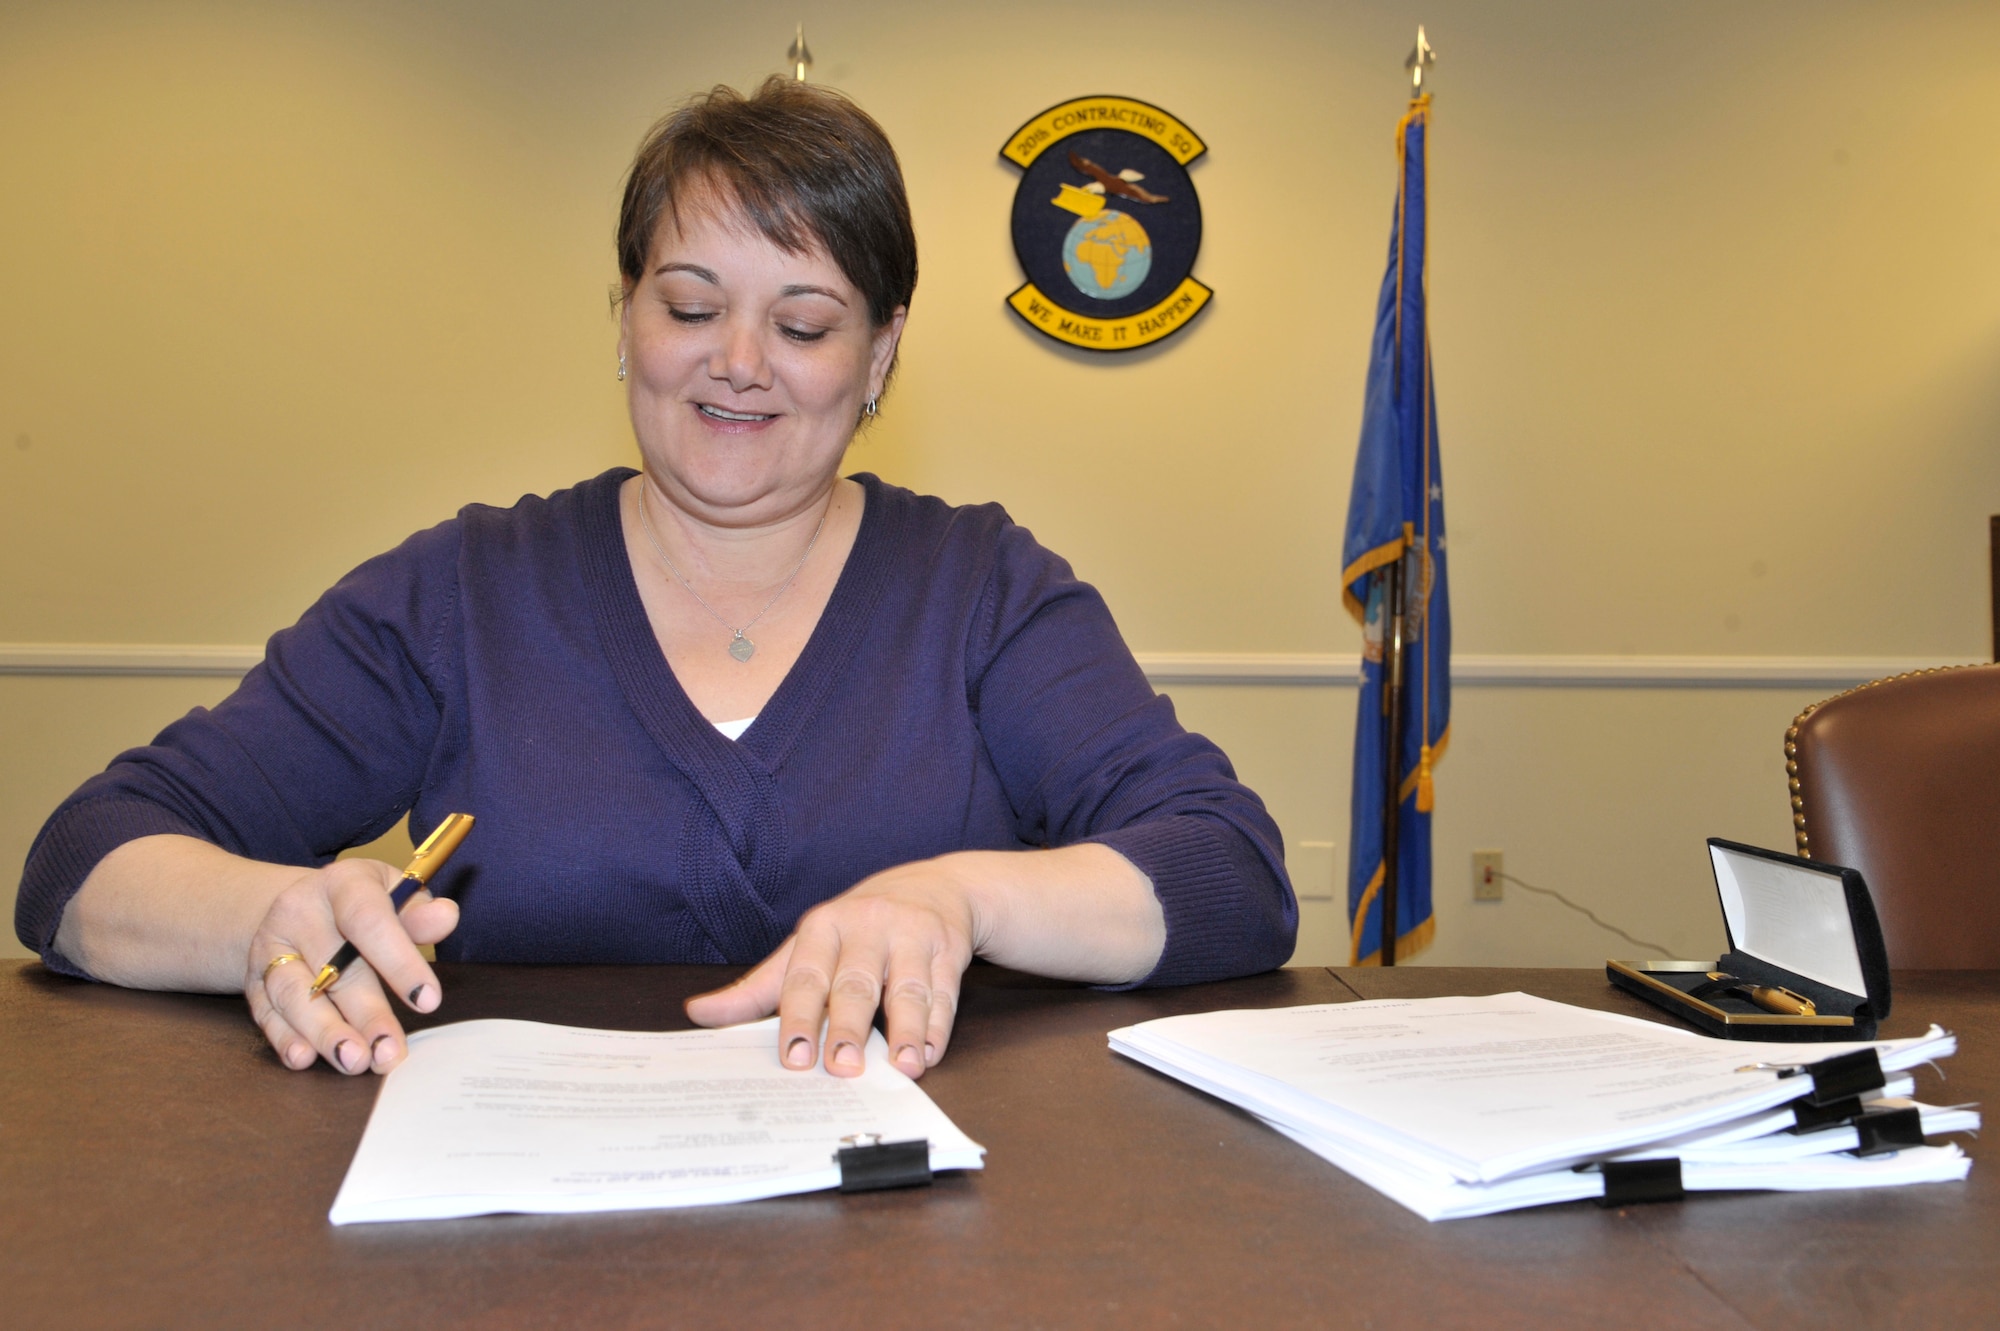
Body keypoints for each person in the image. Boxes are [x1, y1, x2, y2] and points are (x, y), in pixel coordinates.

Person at [15, 77, 1294, 1081]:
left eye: (801, 323)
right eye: (689, 308)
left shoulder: (984, 590)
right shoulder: (460, 592)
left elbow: (1228, 872)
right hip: (525, 1240)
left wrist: (959, 897)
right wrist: (268, 918)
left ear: (881, 353)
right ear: (621, 314)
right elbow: (82, 860)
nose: (738, 363)